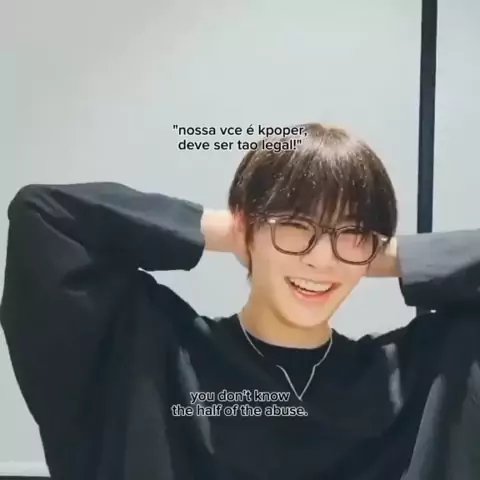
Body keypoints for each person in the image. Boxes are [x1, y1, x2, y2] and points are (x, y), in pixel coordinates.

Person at [1, 123, 479, 480]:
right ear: (245, 227)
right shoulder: (154, 356)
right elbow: (43, 217)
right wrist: (227, 231)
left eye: (351, 232)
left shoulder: (415, 382)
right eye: (296, 225)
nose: (321, 259)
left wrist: (386, 256)